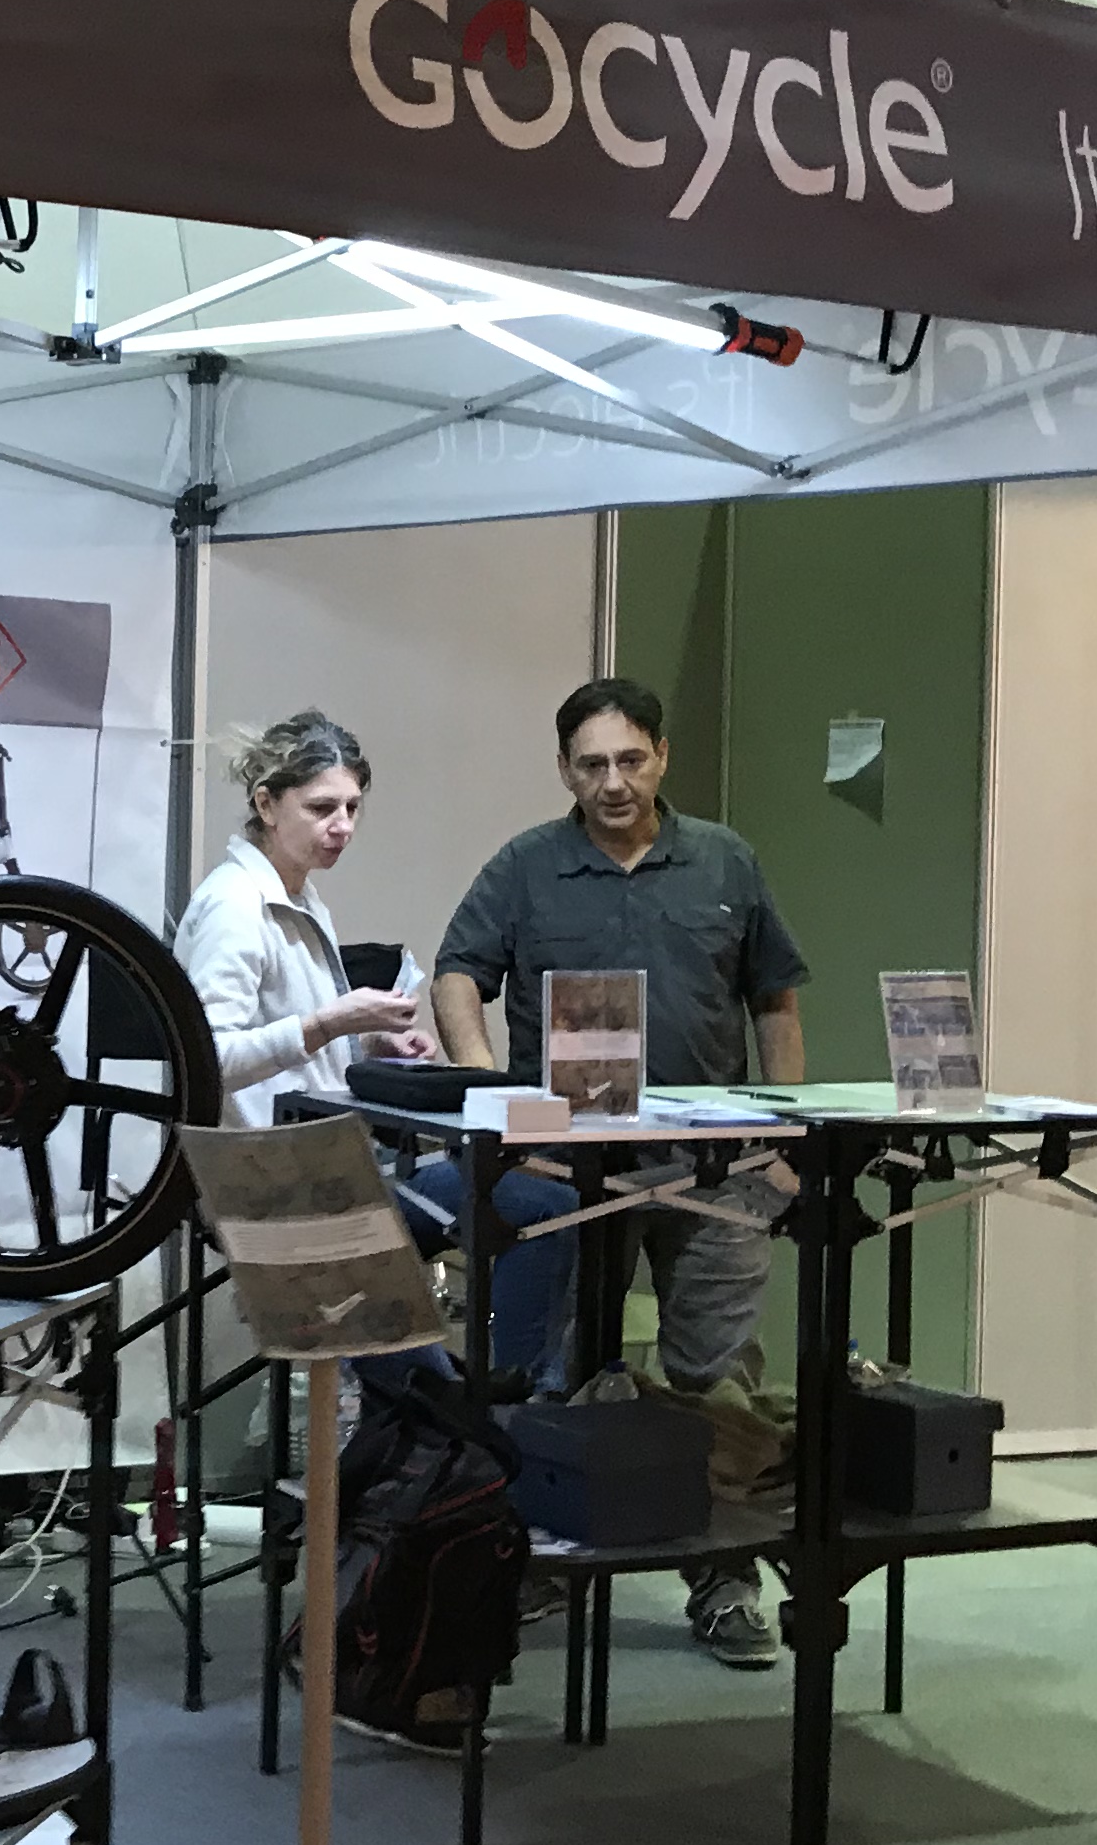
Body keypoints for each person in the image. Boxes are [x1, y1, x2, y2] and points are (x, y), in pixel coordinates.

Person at [430, 675, 808, 1669]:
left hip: (714, 1167)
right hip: (567, 1169)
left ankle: (725, 1581)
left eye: (631, 760)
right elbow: (458, 974)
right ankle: (546, 1561)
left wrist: (784, 1137)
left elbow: (775, 999)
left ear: (662, 757)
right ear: (565, 770)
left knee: (714, 1374)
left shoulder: (725, 860)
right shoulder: (526, 865)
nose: (613, 782)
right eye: (592, 764)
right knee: (558, 1372)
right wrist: (491, 1099)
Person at [171, 710, 436, 1124]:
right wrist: (329, 1024)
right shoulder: (235, 904)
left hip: (309, 1142)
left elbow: (294, 1045)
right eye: (322, 808)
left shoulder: (300, 896)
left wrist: (369, 1042)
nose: (344, 826)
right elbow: (207, 1060)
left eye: (352, 807)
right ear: (266, 805)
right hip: (259, 1153)